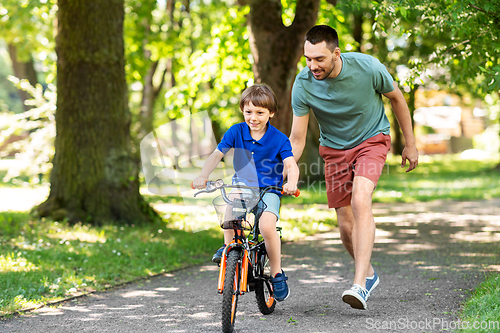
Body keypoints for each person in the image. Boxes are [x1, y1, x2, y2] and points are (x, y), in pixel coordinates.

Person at [289, 25, 419, 310]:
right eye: (308, 59)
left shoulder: (367, 67)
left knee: (361, 199)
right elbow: (297, 139)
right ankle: (369, 274)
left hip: (371, 140)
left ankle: (359, 284)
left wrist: (409, 143)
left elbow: (396, 98)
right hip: (334, 150)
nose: (313, 66)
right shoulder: (303, 84)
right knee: (346, 224)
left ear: (336, 53)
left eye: (319, 59)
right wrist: (285, 167)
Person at [193, 83, 299, 302]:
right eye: (248, 111)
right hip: (242, 186)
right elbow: (216, 155)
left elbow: (291, 165)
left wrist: (292, 182)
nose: (254, 117)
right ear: (242, 110)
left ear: (271, 113)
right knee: (229, 210)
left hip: (269, 189)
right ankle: (228, 247)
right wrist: (203, 175)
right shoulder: (236, 131)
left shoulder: (279, 139)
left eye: (260, 112)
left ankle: (277, 272)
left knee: (267, 225)